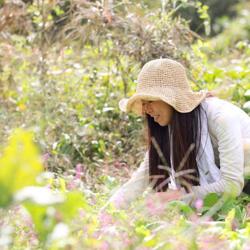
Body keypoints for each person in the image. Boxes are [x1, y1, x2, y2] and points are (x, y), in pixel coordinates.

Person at [107, 58, 250, 209]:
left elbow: (232, 185)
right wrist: (105, 215)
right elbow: (138, 181)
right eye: (143, 103)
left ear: (171, 99)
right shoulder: (170, 129)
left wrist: (176, 197)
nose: (146, 110)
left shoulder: (220, 118)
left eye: (150, 100)